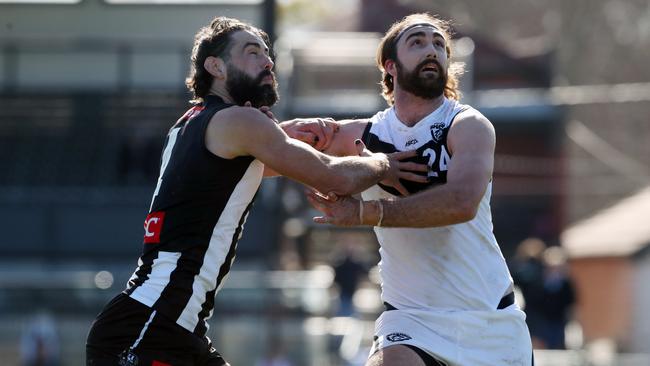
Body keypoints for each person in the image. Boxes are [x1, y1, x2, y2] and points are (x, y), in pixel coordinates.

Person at [85, 16, 427, 366]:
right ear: (215, 66)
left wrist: (287, 135)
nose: (267, 61)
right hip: (148, 329)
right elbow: (332, 178)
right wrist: (385, 163)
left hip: (167, 329)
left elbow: (264, 165)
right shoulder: (238, 122)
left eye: (267, 53)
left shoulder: (191, 124)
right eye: (251, 52)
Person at [306, 13, 533, 366]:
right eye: (418, 42)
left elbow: (461, 203)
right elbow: (270, 151)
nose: (432, 49)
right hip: (410, 318)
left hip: (489, 319)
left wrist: (366, 213)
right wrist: (232, 125)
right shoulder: (362, 136)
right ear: (390, 65)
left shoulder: (467, 125)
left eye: (439, 44)